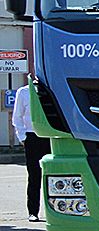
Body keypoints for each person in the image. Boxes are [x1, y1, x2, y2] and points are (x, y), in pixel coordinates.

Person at [12, 76, 51, 222]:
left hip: (51, 136)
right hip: (33, 137)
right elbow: (17, 117)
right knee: (34, 176)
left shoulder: (51, 90)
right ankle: (33, 211)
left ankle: (54, 212)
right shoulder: (24, 92)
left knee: (52, 177)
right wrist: (23, 137)